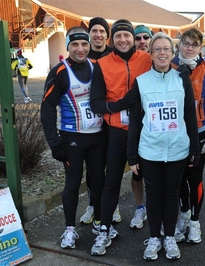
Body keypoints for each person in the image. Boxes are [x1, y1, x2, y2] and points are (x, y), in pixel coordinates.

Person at [127, 32, 200, 260]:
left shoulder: (182, 79)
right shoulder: (141, 82)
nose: (162, 53)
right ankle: (154, 239)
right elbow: (135, 121)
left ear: (172, 52)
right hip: (150, 151)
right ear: (150, 54)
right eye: (157, 49)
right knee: (154, 195)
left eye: (166, 49)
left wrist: (194, 149)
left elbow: (190, 116)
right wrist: (132, 156)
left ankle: (169, 237)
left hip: (178, 149)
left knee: (171, 195)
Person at [89, 19, 152, 256]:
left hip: (146, 130)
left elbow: (173, 69)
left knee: (151, 179)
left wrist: (201, 65)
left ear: (133, 38)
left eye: (127, 35)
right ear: (111, 39)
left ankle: (158, 231)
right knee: (111, 180)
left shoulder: (146, 60)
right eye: (118, 36)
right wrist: (120, 105)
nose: (123, 40)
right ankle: (103, 229)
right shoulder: (102, 64)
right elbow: (96, 103)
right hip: (116, 131)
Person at [40, 27, 106, 250]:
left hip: (97, 137)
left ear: (89, 46)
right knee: (72, 183)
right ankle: (69, 229)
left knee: (98, 181)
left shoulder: (97, 67)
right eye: (75, 44)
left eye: (84, 44)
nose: (80, 49)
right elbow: (47, 107)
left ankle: (99, 223)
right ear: (67, 46)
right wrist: (54, 143)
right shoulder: (60, 71)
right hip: (72, 138)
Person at [171, 28, 205, 244]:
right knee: (179, 178)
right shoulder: (168, 67)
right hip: (176, 133)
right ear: (179, 44)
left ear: (201, 48)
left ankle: (195, 221)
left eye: (194, 44)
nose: (189, 48)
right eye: (186, 43)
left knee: (195, 178)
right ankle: (183, 214)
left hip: (200, 133)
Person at [79, 16, 121, 226]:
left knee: (111, 166)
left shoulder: (113, 55)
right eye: (94, 31)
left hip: (111, 119)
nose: (98, 35)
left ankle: (113, 206)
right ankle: (92, 205)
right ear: (90, 34)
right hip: (89, 121)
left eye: (102, 31)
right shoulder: (83, 56)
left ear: (107, 35)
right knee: (92, 167)